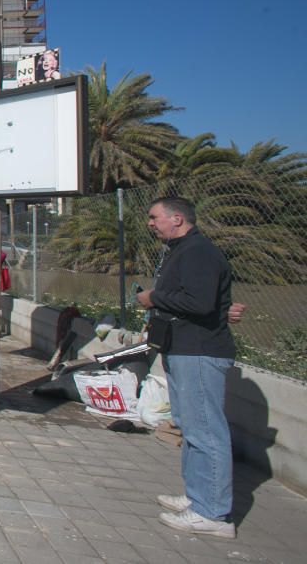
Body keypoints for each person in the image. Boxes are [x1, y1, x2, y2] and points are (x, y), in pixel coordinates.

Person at [136, 197, 237, 539]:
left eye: (155, 217)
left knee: (206, 431)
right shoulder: (180, 250)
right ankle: (198, 497)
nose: (150, 223)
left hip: (199, 351)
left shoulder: (198, 252)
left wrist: (154, 298)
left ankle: (212, 513)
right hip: (181, 349)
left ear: (176, 218)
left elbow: (200, 301)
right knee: (190, 428)